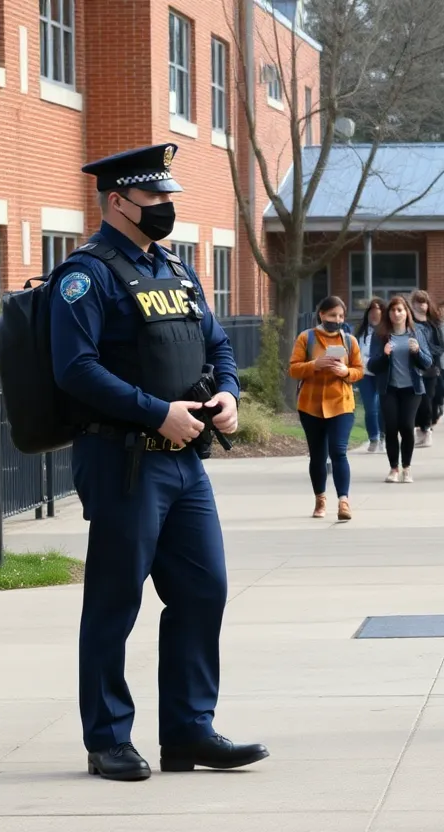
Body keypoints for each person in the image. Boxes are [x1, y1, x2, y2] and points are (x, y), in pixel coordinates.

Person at [51, 143, 267, 781]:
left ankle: (189, 731)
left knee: (204, 590)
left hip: (185, 462)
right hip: (123, 461)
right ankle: (108, 739)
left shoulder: (176, 269)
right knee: (115, 602)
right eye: (155, 197)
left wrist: (228, 394)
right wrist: (154, 412)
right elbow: (75, 369)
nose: (166, 206)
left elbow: (217, 344)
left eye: (169, 196)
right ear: (118, 201)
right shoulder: (85, 275)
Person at [289, 296, 365, 520]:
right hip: (311, 405)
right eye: (332, 315)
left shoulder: (349, 341)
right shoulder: (307, 338)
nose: (337, 320)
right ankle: (320, 499)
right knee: (317, 455)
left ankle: (344, 501)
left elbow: (359, 370)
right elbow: (293, 369)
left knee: (339, 451)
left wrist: (346, 372)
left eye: (341, 316)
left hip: (341, 403)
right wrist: (315, 364)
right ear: (321, 314)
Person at [367, 295, 433, 483]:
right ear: (388, 314)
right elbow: (372, 365)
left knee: (407, 426)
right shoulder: (380, 335)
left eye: (400, 310)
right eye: (393, 310)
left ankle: (407, 467)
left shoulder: (417, 333)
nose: (396, 314)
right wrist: (384, 355)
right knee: (391, 427)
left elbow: (427, 362)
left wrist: (417, 352)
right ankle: (394, 468)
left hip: (412, 389)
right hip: (389, 388)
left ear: (406, 313)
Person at [409, 290, 444, 447]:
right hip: (412, 368)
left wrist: (425, 351)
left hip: (430, 368)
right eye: (418, 302)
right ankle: (420, 431)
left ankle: (427, 429)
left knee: (427, 400)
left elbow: (441, 347)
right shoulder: (409, 323)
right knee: (417, 401)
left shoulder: (433, 324)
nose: (421, 305)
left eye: (423, 302)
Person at [355, 298, 385, 452]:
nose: (373, 315)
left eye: (376, 312)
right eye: (371, 312)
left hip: (381, 373)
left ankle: (383, 436)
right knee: (370, 407)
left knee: (381, 407)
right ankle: (374, 437)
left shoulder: (386, 332)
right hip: (364, 374)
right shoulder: (361, 331)